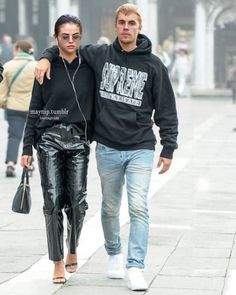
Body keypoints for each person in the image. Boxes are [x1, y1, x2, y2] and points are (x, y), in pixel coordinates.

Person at [35, 3, 178, 291]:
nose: (126, 27)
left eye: (132, 23)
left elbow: (166, 107)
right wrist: (45, 56)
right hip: (108, 147)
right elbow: (67, 45)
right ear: (115, 26)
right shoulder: (99, 55)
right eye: (122, 22)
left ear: (139, 26)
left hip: (141, 146)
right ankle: (114, 252)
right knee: (110, 207)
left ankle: (136, 266)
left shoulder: (153, 64)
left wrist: (168, 146)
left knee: (138, 206)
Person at [21, 15, 95, 284]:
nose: (71, 41)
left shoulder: (90, 65)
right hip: (49, 137)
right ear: (56, 38)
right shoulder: (46, 67)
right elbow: (35, 107)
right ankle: (57, 262)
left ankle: (73, 245)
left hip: (79, 139)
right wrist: (27, 146)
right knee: (52, 201)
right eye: (65, 37)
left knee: (77, 201)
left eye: (75, 36)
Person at [0, 40, 36, 177]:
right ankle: (29, 163)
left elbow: (1, 89)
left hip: (13, 107)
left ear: (18, 49)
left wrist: (3, 103)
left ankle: (10, 164)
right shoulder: (37, 66)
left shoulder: (8, 66)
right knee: (31, 136)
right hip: (32, 107)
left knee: (14, 136)